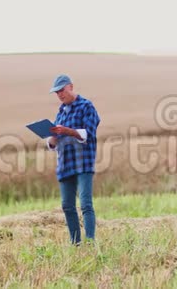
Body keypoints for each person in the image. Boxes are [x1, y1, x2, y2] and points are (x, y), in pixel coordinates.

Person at [47, 74, 101, 245]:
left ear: (70, 86)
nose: (60, 95)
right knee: (67, 206)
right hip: (65, 164)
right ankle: (76, 244)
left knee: (85, 204)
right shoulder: (60, 112)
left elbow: (89, 133)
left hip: (83, 162)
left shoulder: (86, 106)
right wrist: (52, 139)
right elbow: (54, 142)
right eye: (57, 93)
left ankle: (90, 243)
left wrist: (69, 131)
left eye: (62, 90)